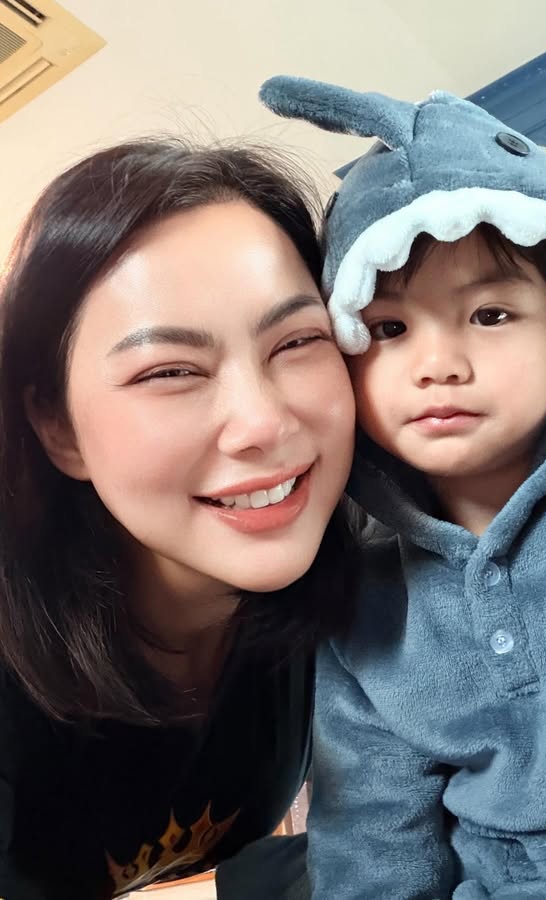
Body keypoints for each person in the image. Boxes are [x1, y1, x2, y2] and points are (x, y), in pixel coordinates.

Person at [260, 77, 546, 898]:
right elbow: (371, 835)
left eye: (490, 315)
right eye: (390, 328)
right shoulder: (363, 592)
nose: (438, 363)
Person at [0, 137, 356, 899]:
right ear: (58, 428)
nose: (262, 423)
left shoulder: (369, 572)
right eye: (169, 371)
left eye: (298, 341)